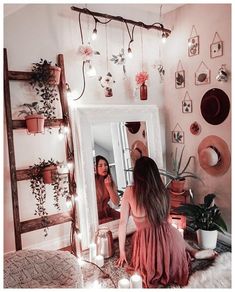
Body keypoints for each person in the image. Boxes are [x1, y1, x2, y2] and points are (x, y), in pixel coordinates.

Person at [116, 156, 217, 288]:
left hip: (147, 243)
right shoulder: (162, 191)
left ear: (137, 174)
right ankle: (192, 251)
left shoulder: (130, 191)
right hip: (170, 238)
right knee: (172, 232)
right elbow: (165, 222)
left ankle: (192, 251)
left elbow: (122, 223)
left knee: (149, 267)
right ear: (155, 174)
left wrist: (122, 251)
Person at [95, 155, 120, 224]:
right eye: (100, 166)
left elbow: (116, 203)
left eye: (106, 165)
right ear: (95, 168)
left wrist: (109, 187)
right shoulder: (92, 184)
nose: (104, 167)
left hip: (108, 212)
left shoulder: (109, 181)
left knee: (126, 218)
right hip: (96, 216)